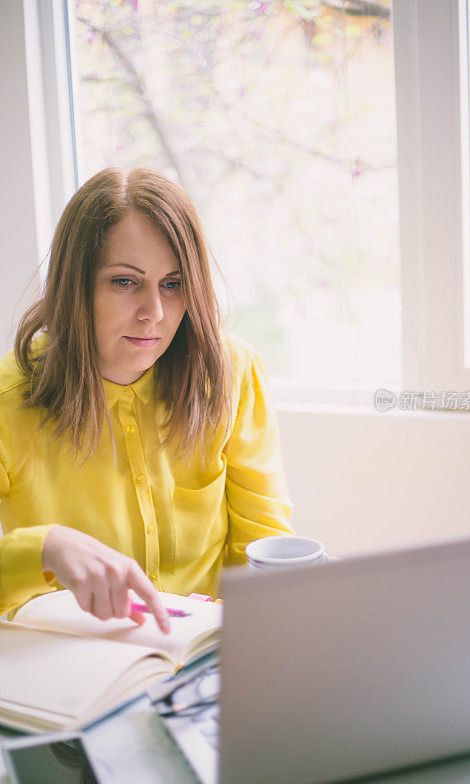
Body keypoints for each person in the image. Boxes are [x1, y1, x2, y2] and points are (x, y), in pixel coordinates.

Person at [0, 167, 293, 633]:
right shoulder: (7, 399)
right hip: (65, 665)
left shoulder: (233, 373)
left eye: (173, 284)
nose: (153, 313)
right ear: (77, 286)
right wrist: (43, 547)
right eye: (124, 281)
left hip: (205, 658)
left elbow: (264, 543)